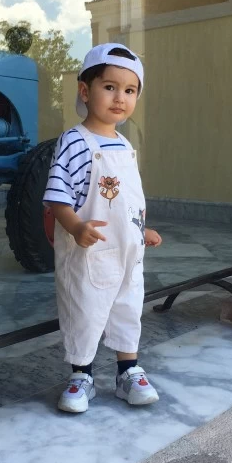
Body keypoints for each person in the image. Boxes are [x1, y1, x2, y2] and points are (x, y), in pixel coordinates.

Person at [43, 43, 162, 413]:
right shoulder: (74, 142)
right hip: (89, 253)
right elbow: (58, 197)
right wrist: (75, 226)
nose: (120, 98)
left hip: (127, 253)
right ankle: (82, 375)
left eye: (129, 90)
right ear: (85, 90)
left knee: (128, 308)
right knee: (85, 310)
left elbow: (126, 200)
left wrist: (140, 229)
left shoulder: (124, 144)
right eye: (110, 87)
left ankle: (129, 372)